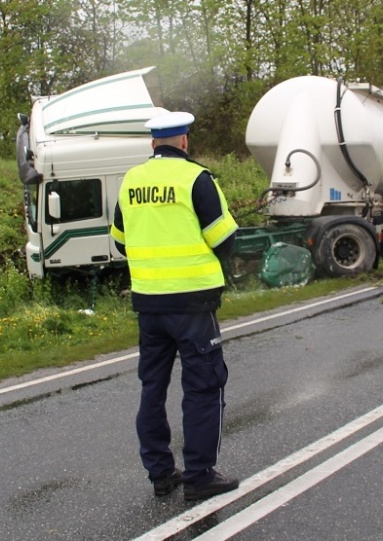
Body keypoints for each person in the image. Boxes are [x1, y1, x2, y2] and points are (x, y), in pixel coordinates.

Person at [110, 111, 240, 502]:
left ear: (153, 143)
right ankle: (200, 476)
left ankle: (161, 474)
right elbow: (224, 239)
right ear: (184, 141)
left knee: (153, 386)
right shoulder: (197, 179)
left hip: (149, 303)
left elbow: (119, 241)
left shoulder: (131, 180)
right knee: (203, 386)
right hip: (194, 304)